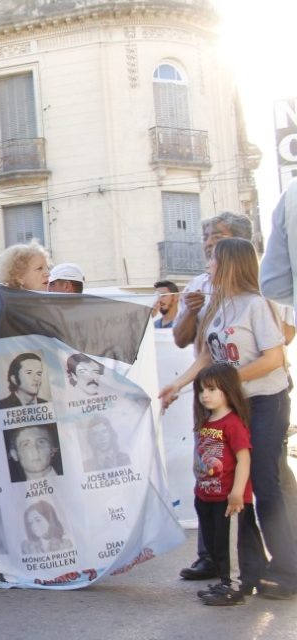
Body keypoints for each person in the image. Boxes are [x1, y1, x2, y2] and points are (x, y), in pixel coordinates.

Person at [159, 238, 297, 599]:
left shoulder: (258, 304)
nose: (208, 266)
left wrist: (227, 380)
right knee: (237, 489)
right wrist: (177, 384)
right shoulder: (218, 306)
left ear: (231, 264)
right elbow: (207, 356)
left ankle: (287, 569)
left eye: (213, 260)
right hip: (235, 405)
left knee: (266, 484)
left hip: (266, 402)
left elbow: (273, 359)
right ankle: (250, 570)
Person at [190, 363, 265, 605]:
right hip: (206, 496)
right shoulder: (207, 421)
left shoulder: (233, 423)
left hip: (228, 499)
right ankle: (223, 581)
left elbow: (244, 459)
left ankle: (233, 586)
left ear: (228, 390)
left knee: (229, 546)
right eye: (202, 390)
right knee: (214, 543)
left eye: (212, 389)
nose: (205, 395)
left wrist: (236, 493)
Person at [173, 212, 252, 350]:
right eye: (205, 238)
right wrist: (191, 312)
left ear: (240, 241)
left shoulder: (262, 285)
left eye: (217, 237)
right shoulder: (196, 285)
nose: (208, 243)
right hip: (213, 370)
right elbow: (181, 341)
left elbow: (285, 336)